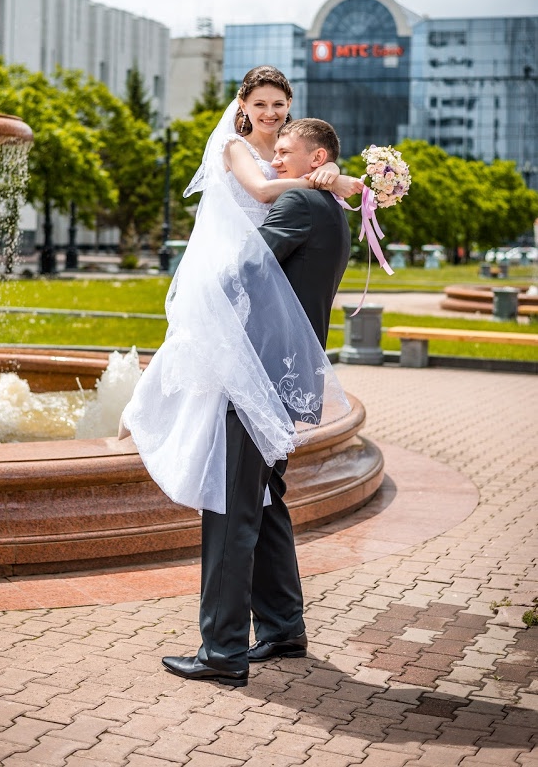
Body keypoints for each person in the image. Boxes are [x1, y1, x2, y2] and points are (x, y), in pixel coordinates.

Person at [160, 116, 353, 687]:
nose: (275, 162)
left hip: (254, 379)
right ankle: (283, 624)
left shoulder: (300, 206)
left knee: (231, 508)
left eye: (287, 152)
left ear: (316, 159)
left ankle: (221, 651)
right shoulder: (330, 211)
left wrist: (197, 282)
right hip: (287, 379)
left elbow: (240, 274)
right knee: (265, 500)